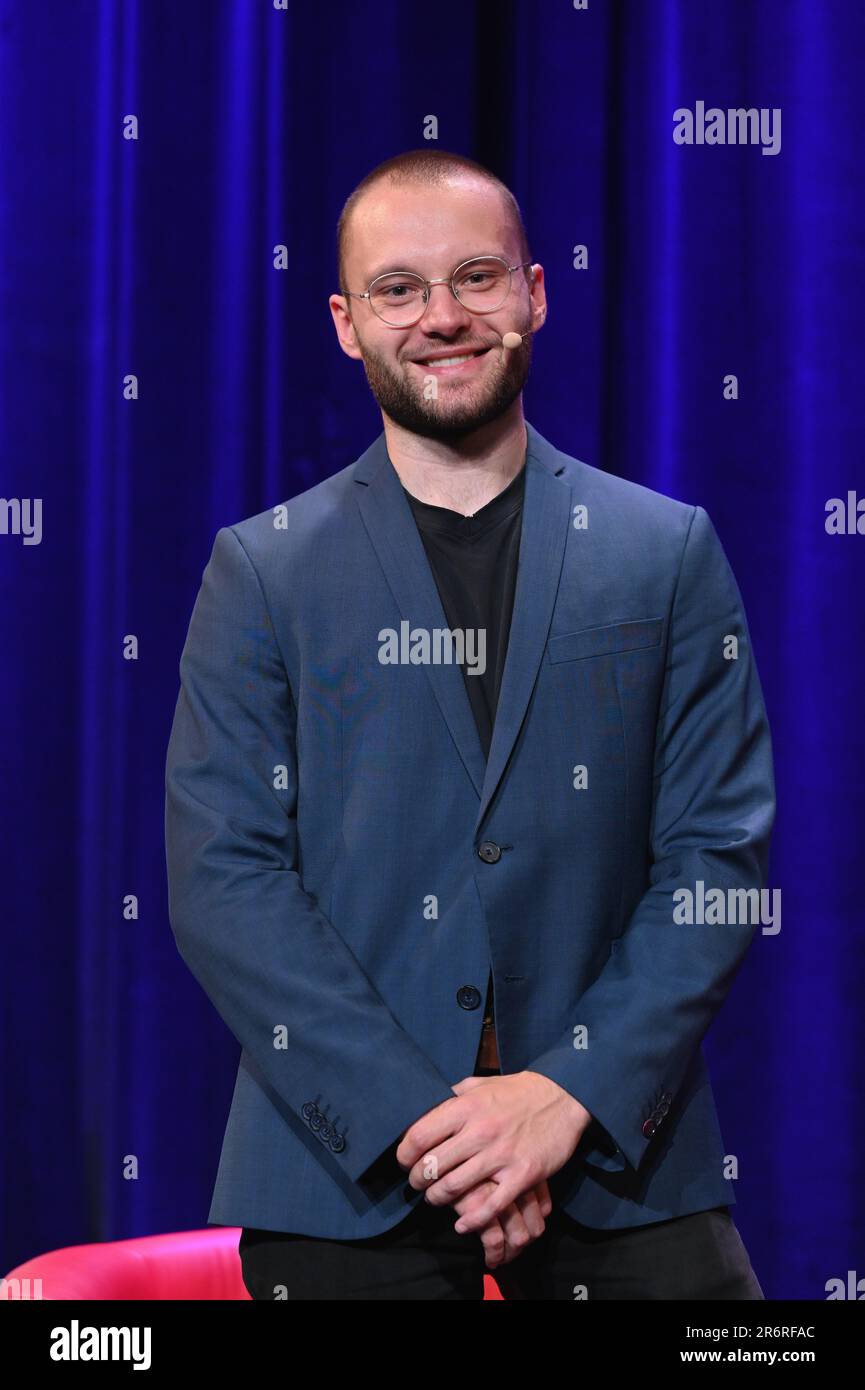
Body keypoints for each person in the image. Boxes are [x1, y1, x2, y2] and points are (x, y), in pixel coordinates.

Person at [165, 149, 774, 1300]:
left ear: (535, 293)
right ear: (347, 324)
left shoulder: (665, 548)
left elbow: (715, 861)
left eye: (477, 277)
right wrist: (429, 1127)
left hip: (621, 1163)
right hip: (346, 1176)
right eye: (399, 289)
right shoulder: (262, 570)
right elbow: (225, 883)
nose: (442, 316)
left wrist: (563, 1097)